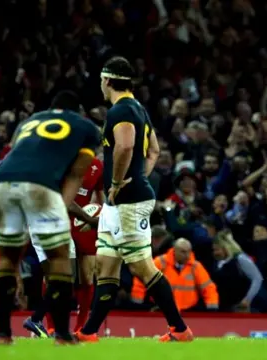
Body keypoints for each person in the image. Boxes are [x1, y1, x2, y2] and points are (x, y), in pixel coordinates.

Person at [75, 56, 192, 343]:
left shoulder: (121, 110)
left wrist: (117, 183)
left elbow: (126, 146)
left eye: (101, 82)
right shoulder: (138, 107)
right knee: (107, 262)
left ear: (107, 81)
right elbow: (152, 150)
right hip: (120, 203)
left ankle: (179, 329)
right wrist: (137, 175)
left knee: (141, 265)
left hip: (128, 202)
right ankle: (89, 332)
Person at [0, 90, 101, 345]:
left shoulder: (28, 122)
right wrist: (59, 208)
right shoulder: (86, 127)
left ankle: (4, 334)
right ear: (77, 111)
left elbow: (17, 154)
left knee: (8, 259)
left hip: (2, 182)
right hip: (41, 185)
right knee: (60, 258)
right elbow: (76, 174)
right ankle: (61, 334)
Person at [24, 157, 104, 337]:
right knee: (61, 278)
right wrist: (90, 219)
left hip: (51, 222)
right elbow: (63, 199)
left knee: (73, 277)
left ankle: (65, 326)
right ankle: (52, 326)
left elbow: (99, 196)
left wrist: (101, 214)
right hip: (56, 221)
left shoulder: (96, 166)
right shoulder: (61, 162)